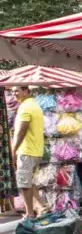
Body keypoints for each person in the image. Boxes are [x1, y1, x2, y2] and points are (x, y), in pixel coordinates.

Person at [11, 86, 44, 218]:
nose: (14, 94)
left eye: (16, 91)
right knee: (30, 182)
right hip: (35, 150)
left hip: (27, 150)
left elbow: (22, 130)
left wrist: (14, 149)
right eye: (12, 91)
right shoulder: (33, 105)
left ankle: (29, 213)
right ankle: (42, 206)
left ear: (26, 91)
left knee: (24, 184)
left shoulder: (25, 107)